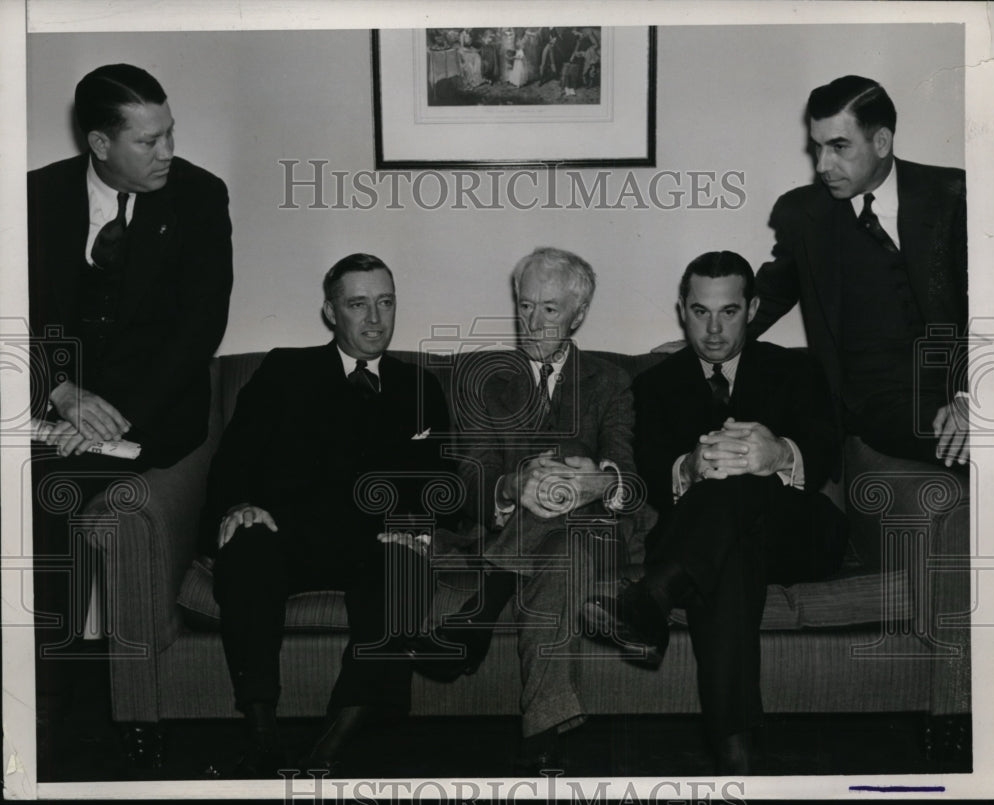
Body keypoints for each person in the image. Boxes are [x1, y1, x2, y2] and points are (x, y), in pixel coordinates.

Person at [584, 252, 847, 773]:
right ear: (682, 310)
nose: (713, 328)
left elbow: (826, 454)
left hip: (795, 532)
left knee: (743, 479)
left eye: (728, 312)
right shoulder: (654, 384)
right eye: (700, 311)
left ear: (751, 308)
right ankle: (737, 751)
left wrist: (777, 454)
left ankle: (655, 593)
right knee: (728, 553)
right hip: (706, 546)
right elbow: (645, 476)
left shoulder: (795, 367)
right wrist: (689, 469)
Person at [27, 63, 232, 729]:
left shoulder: (200, 197)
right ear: (99, 143)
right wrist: (57, 392)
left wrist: (103, 422)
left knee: (48, 493)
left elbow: (198, 331)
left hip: (154, 417)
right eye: (148, 141)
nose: (167, 152)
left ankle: (55, 699)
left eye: (169, 133)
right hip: (49, 403)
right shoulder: (33, 196)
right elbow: (11, 315)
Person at [204, 254, 451, 777]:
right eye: (357, 304)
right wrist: (238, 504)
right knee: (245, 547)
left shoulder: (420, 386)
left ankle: (333, 742)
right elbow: (234, 457)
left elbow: (439, 481)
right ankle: (262, 734)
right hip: (289, 534)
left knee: (404, 574)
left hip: (374, 544)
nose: (374, 320)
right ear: (329, 311)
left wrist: (413, 522)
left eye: (385, 303)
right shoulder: (284, 370)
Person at [407, 247, 637, 772]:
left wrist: (595, 480)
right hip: (542, 540)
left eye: (550, 310)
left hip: (595, 529)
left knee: (567, 481)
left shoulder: (610, 382)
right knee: (561, 547)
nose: (532, 322)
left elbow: (630, 475)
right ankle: (544, 736)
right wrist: (514, 484)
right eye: (525, 306)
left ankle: (482, 606)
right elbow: (469, 477)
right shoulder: (483, 379)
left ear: (578, 315)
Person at [749, 75, 968, 467]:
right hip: (879, 401)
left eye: (838, 147)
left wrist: (972, 399)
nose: (822, 166)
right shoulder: (804, 215)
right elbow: (769, 295)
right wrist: (711, 340)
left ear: (881, 142)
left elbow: (991, 301)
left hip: (961, 385)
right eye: (817, 148)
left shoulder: (952, 194)